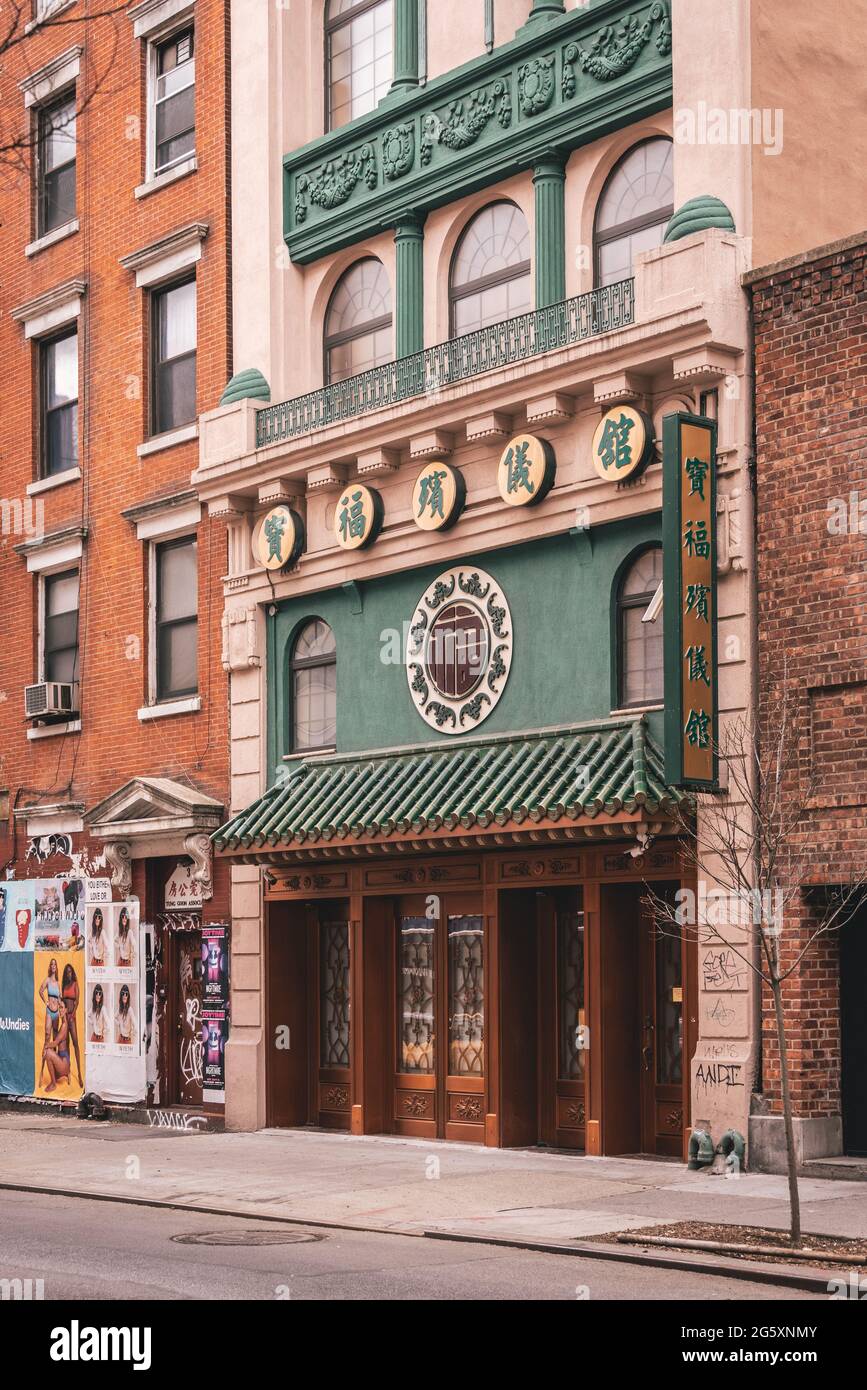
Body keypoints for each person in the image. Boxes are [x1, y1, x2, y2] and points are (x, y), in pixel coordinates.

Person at [37, 958, 61, 1086]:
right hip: (49, 1012)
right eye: (51, 964)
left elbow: (60, 998)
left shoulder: (57, 983)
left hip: (57, 1013)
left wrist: (62, 1005)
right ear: (50, 967)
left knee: (55, 1040)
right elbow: (40, 991)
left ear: (56, 968)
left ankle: (54, 1074)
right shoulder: (47, 980)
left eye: (55, 964)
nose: (53, 966)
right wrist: (46, 1002)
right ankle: (41, 1073)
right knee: (47, 1037)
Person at [61, 962, 83, 1086]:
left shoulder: (75, 984)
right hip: (65, 1017)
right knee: (67, 1045)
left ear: (72, 972)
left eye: (70, 971)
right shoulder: (64, 985)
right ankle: (68, 1073)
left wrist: (73, 1014)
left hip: (72, 1017)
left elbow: (77, 1001)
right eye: (67, 972)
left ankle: (79, 1074)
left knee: (75, 1044)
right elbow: (63, 1002)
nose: (68, 974)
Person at [42, 1000, 72, 1093]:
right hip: (64, 1060)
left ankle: (54, 1084)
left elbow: (55, 1043)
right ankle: (63, 1074)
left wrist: (45, 1046)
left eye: (62, 1008)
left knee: (47, 1053)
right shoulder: (63, 1023)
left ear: (66, 1010)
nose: (60, 1010)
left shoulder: (64, 1026)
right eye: (59, 1008)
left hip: (64, 1064)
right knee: (49, 1050)